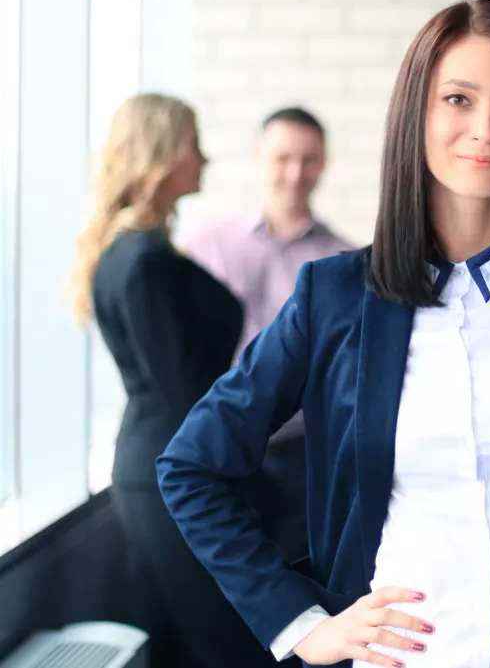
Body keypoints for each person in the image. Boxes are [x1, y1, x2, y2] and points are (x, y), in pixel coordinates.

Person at [157, 0, 490, 668]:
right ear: (417, 113)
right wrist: (297, 621)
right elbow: (190, 465)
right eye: (458, 99)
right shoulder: (335, 296)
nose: (485, 129)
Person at [67, 93, 278, 668]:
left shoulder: (133, 253)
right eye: (192, 145)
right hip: (171, 475)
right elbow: (187, 394)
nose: (204, 160)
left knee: (199, 642)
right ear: (159, 154)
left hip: (155, 467)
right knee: (222, 647)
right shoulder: (144, 262)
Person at [182, 106, 353, 562]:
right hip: (221, 453)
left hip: (305, 460)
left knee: (296, 580)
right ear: (258, 156)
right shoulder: (204, 248)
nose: (295, 173)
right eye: (283, 158)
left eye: (309, 159)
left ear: (324, 164)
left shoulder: (343, 260)